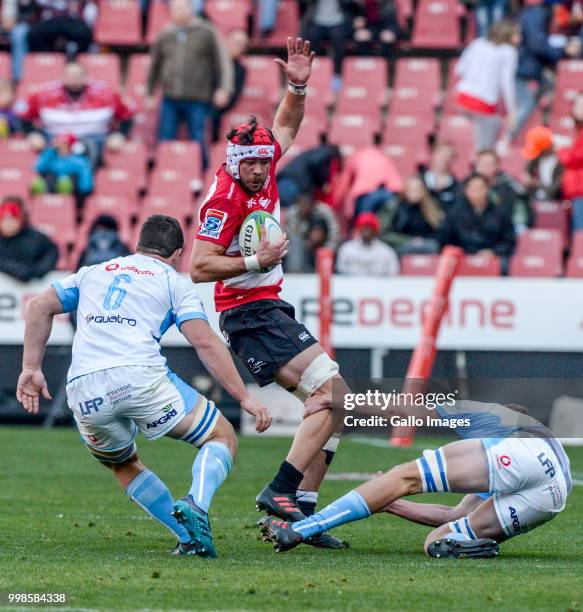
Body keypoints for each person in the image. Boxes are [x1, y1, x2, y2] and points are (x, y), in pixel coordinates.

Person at [16, 214, 272, 558]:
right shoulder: (172, 281)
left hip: (84, 389)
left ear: (138, 246)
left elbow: (38, 307)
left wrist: (31, 367)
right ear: (177, 254)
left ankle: (189, 539)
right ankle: (196, 503)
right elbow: (205, 342)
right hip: (139, 377)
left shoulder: (94, 271)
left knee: (122, 464)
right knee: (220, 436)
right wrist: (243, 396)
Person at [190, 37, 350, 549]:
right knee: (335, 396)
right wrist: (257, 260)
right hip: (248, 313)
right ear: (235, 160)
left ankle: (297, 521)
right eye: (253, 164)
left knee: (335, 414)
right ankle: (280, 491)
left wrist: (298, 86)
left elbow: (285, 125)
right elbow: (198, 267)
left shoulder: (263, 169)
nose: (261, 170)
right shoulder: (225, 199)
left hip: (266, 307)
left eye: (266, 163)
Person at [259, 400, 572, 558]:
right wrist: (390, 503)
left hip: (530, 458)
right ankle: (483, 552)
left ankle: (301, 529)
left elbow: (410, 413)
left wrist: (348, 403)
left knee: (404, 475)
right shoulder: (523, 443)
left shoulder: (487, 415)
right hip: (554, 494)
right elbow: (454, 514)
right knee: (438, 542)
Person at [146, 0, 233, 168]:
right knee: (165, 140)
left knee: (199, 140)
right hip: (169, 98)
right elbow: (154, 66)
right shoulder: (165, 34)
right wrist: (150, 92)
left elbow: (222, 62)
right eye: (174, 9)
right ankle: (166, 174)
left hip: (198, 98)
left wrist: (224, 88)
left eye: (181, 8)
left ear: (190, 9)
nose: (177, 12)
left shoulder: (207, 31)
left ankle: (201, 175)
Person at [16, 61, 135, 167]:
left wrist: (120, 135)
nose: (74, 78)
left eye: (78, 75)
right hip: (54, 141)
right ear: (63, 76)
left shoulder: (106, 94)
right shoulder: (44, 94)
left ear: (86, 77)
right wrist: (32, 134)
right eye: (70, 75)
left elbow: (128, 113)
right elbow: (22, 113)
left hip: (95, 140)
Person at [514, 0, 581, 139]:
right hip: (527, 66)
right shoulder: (536, 14)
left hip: (533, 65)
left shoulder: (540, 13)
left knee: (544, 94)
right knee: (527, 103)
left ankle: (541, 132)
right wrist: (563, 50)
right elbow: (537, 44)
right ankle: (510, 136)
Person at [455, 20, 521, 151]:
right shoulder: (509, 52)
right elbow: (506, 84)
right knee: (484, 149)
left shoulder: (477, 43)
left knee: (463, 144)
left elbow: (459, 69)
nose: (520, 37)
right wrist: (512, 112)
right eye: (517, 34)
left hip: (462, 98)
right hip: (484, 104)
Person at [439, 174, 515, 270]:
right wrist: (463, 252)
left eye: (481, 188)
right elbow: (446, 239)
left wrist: (493, 252)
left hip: (493, 256)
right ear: (466, 191)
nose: (477, 192)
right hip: (462, 257)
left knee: (505, 264)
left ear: (487, 189)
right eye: (473, 188)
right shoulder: (455, 213)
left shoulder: (500, 212)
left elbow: (509, 241)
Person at [379, 175, 443, 255]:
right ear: (405, 190)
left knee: (433, 247)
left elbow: (440, 230)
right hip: (402, 244)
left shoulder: (432, 208)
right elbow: (384, 233)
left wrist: (423, 241)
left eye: (418, 189)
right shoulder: (394, 207)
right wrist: (409, 240)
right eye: (411, 189)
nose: (415, 192)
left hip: (426, 244)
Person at [0, 196, 59, 282]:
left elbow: (52, 252)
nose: (8, 223)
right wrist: (16, 271)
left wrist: (38, 271)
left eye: (13, 218)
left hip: (35, 288)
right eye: (4, 219)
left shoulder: (36, 238)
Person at [474, 148, 531, 233]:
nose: (487, 168)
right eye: (484, 164)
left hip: (504, 229)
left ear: (497, 165)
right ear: (477, 166)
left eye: (491, 164)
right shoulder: (468, 185)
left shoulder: (508, 184)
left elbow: (522, 198)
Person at [284, 192, 340, 272]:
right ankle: (295, 271)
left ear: (313, 204)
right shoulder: (292, 213)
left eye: (306, 204)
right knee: (295, 242)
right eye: (301, 205)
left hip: (326, 244)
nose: (304, 208)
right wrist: (307, 243)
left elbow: (335, 233)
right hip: (304, 244)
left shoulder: (325, 211)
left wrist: (327, 250)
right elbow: (291, 236)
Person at [276, 145, 342, 208]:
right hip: (295, 182)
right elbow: (318, 168)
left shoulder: (315, 152)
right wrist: (322, 183)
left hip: (285, 179)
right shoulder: (327, 156)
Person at [32, 133, 94, 199]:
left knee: (66, 182)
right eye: (60, 143)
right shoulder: (52, 157)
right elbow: (38, 168)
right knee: (43, 179)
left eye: (64, 143)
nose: (61, 146)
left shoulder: (79, 161)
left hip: (73, 193)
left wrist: (83, 193)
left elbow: (85, 179)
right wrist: (50, 150)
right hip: (51, 189)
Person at [26, 0, 98, 55]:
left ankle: (75, 57)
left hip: (73, 21)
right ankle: (45, 57)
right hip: (51, 21)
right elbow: (41, 2)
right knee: (34, 33)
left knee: (85, 32)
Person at [558, 93, 583, 230]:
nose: (579, 108)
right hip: (574, 191)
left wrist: (561, 150)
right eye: (577, 104)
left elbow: (572, 159)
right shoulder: (577, 132)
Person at [522, 126, 563, 201]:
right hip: (534, 199)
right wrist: (527, 176)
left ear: (545, 148)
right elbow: (527, 170)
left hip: (554, 202)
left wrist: (537, 184)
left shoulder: (561, 161)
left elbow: (554, 191)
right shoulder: (536, 158)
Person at [421, 142, 460, 212]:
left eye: (449, 155)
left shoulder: (457, 187)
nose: (445, 158)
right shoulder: (419, 181)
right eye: (441, 153)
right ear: (433, 155)